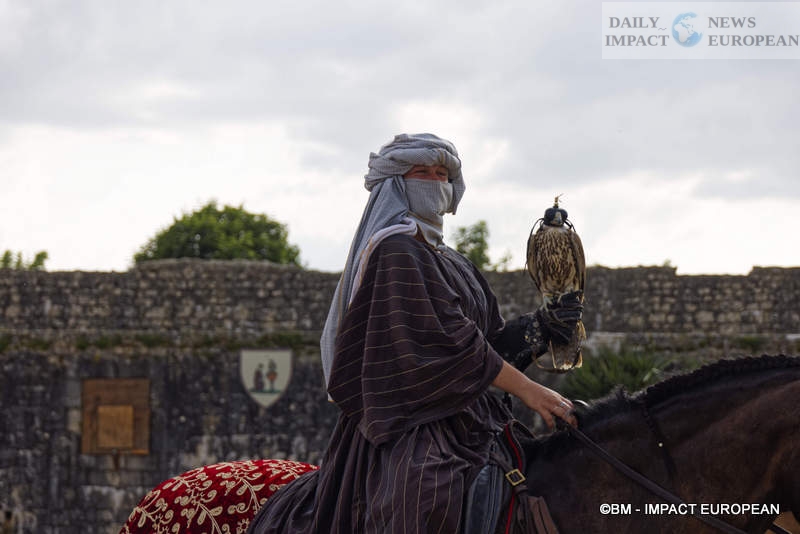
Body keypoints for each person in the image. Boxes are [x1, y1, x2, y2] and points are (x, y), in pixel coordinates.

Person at [248, 133, 579, 534]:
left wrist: (541, 327)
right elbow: (456, 344)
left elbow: (489, 345)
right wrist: (532, 391)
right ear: (395, 184)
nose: (435, 182)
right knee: (424, 500)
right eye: (422, 172)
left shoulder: (454, 262)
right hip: (411, 424)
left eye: (442, 174)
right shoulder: (395, 251)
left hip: (475, 420)